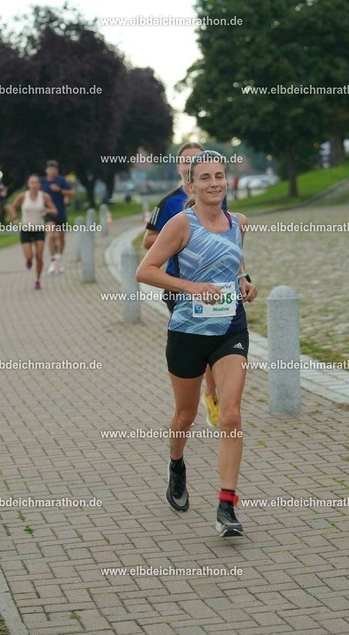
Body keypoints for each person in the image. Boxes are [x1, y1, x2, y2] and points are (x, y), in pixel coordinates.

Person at [136, 150, 257, 537]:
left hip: (230, 329)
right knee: (185, 415)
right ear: (191, 185)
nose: (214, 183)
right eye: (204, 177)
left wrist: (245, 280)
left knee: (231, 414)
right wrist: (191, 287)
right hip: (187, 333)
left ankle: (227, 506)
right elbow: (145, 270)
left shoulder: (238, 222)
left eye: (219, 176)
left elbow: (235, 261)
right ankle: (176, 463)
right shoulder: (180, 224)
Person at [143, 142, 227, 429]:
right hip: (180, 288)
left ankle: (212, 395)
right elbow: (148, 240)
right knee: (196, 347)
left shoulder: (215, 195)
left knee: (216, 343)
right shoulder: (168, 203)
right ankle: (188, 403)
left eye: (197, 159)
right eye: (187, 161)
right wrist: (178, 237)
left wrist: (243, 276)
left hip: (214, 287)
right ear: (180, 168)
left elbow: (230, 236)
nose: (192, 164)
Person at [9, 175, 58, 290]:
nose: (34, 185)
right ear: (28, 184)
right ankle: (28, 260)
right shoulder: (23, 196)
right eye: (32, 183)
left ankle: (37, 279)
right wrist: (14, 219)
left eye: (36, 183)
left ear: (39, 184)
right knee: (29, 256)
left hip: (39, 229)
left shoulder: (44, 196)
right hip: (26, 229)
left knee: (39, 256)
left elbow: (55, 211)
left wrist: (47, 210)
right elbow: (12, 207)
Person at [40, 160, 74, 274]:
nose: (52, 171)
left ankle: (59, 258)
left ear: (57, 171)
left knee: (61, 238)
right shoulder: (42, 182)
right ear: (46, 170)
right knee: (51, 236)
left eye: (54, 169)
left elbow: (71, 193)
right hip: (48, 214)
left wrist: (60, 190)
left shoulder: (61, 180)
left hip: (60, 213)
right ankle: (53, 261)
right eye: (50, 169)